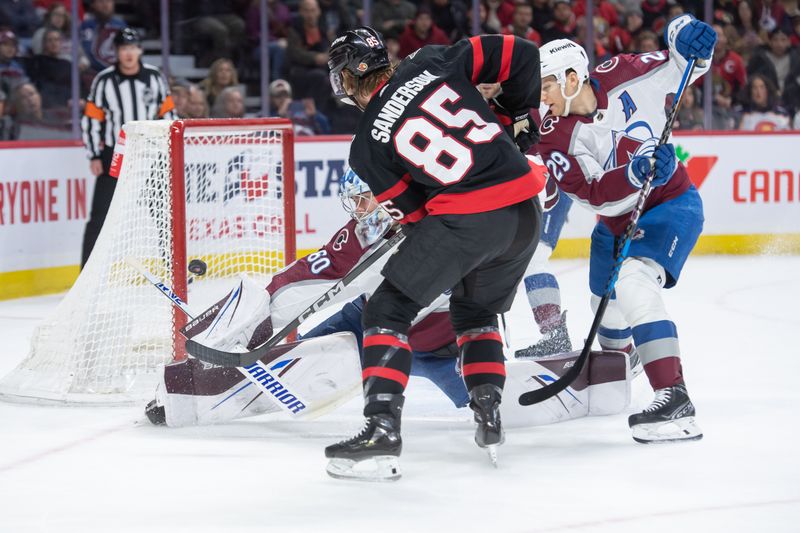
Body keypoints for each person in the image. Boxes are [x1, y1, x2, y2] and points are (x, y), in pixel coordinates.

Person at [146, 169, 630, 430]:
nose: (360, 213)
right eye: (354, 205)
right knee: (292, 369)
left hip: (446, 345)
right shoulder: (358, 237)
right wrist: (264, 309)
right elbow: (307, 275)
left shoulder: (445, 230)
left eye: (365, 202)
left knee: (495, 400)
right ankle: (193, 394)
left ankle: (593, 381)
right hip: (368, 327)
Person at [324, 27, 545, 480]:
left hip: (468, 218)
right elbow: (521, 53)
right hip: (526, 210)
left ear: (348, 77)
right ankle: (488, 412)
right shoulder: (430, 60)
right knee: (474, 312)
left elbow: (417, 217)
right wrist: (517, 116)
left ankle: (381, 428)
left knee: (387, 309)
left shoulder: (365, 146)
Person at [535, 14, 716, 444]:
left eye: (546, 85)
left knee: (635, 282)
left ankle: (674, 397)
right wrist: (635, 174)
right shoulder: (554, 138)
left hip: (670, 204)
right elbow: (595, 196)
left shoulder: (625, 73)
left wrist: (687, 34)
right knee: (608, 313)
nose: (541, 97)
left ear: (572, 78)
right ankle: (628, 356)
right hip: (614, 221)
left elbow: (685, 62)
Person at [81, 28, 176, 267]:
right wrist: (94, 154)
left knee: (163, 213)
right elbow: (92, 119)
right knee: (100, 216)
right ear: (116, 52)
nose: (129, 53)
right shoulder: (104, 81)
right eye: (124, 49)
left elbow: (169, 115)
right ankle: (87, 272)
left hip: (150, 154)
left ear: (140, 50)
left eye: (133, 48)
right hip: (116, 155)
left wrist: (168, 149)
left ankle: (172, 265)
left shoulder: (155, 77)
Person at [79, 0, 127, 73]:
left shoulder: (120, 25)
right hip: (92, 72)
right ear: (93, 5)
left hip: (117, 72)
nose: (105, 5)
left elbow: (126, 49)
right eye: (101, 1)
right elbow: (86, 50)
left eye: (108, 1)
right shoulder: (86, 26)